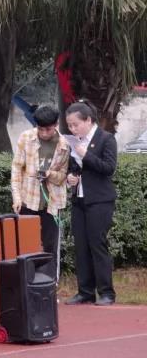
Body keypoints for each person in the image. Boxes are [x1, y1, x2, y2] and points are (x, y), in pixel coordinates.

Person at [64, 102, 118, 306]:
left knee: (97, 244)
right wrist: (71, 176)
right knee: (81, 246)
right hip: (79, 198)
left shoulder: (106, 138)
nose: (72, 129)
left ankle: (106, 292)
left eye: (76, 124)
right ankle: (85, 291)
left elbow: (108, 168)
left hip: (100, 200)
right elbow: (74, 168)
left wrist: (86, 155)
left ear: (88, 120)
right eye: (69, 125)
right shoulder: (74, 141)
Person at [10, 105, 70, 258]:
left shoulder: (64, 145)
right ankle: (28, 274)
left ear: (56, 125)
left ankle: (50, 274)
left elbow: (63, 176)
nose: (44, 133)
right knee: (25, 246)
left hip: (52, 202)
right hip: (27, 200)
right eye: (40, 129)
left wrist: (50, 174)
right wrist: (17, 197)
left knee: (50, 247)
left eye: (48, 129)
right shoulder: (26, 138)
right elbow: (17, 168)